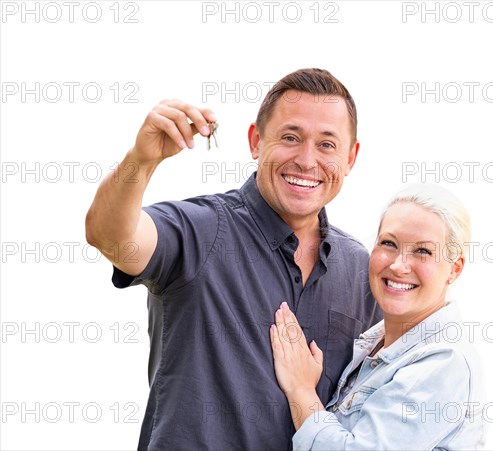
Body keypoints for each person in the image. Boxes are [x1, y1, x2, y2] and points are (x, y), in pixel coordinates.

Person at [85, 68, 382, 450]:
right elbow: (109, 236)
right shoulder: (201, 231)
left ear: (350, 157)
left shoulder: (362, 270)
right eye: (290, 137)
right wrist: (141, 160)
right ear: (256, 141)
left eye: (327, 144)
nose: (307, 161)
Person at [270, 184, 486, 450]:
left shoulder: (443, 363)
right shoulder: (373, 346)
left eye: (423, 251)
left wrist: (301, 391)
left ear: (454, 269)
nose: (397, 265)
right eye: (389, 244)